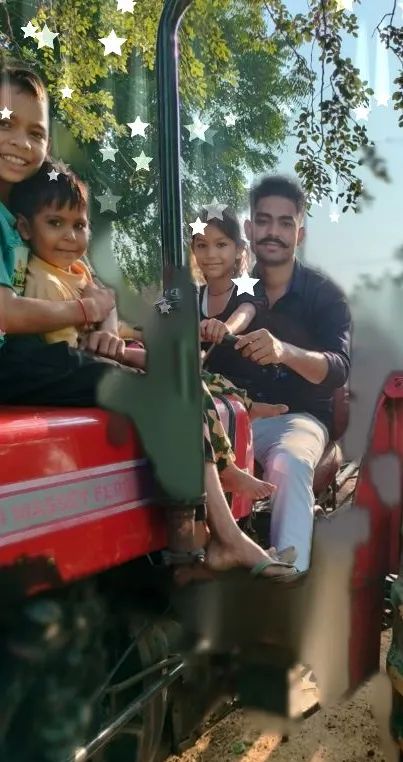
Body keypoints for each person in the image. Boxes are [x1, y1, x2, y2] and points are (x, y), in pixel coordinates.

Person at [0, 61, 295, 578]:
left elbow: (95, 297)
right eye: (6, 123)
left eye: (36, 132)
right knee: (160, 387)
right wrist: (85, 312)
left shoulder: (23, 220)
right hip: (14, 359)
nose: (20, 142)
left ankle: (204, 530)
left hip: (31, 352)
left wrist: (109, 327)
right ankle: (203, 538)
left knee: (172, 378)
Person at [204, 175, 351, 573]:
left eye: (285, 223)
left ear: (299, 233)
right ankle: (187, 562)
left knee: (289, 461)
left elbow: (338, 368)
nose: (274, 232)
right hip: (234, 415)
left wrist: (284, 352)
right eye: (264, 221)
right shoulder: (224, 292)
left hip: (297, 419)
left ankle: (289, 572)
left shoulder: (324, 296)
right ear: (249, 230)